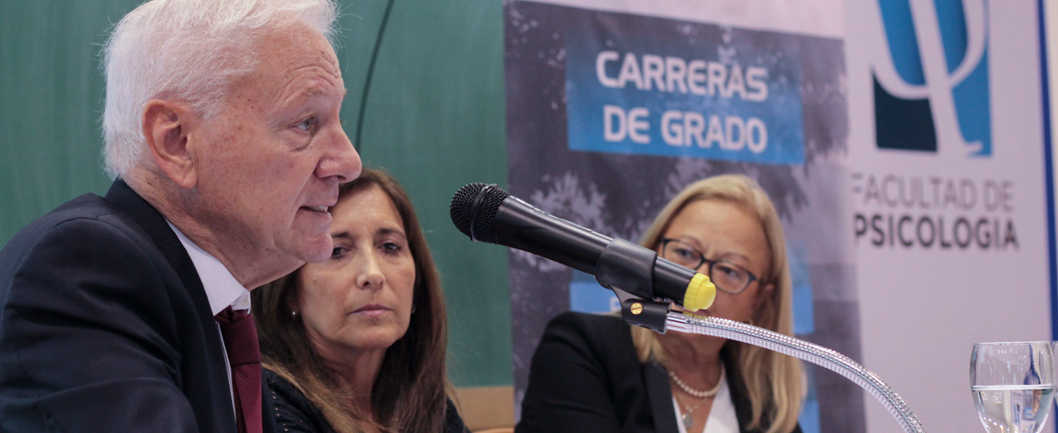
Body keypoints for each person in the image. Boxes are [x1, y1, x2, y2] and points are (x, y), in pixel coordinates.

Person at [0, 0, 361, 433]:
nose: (348, 162)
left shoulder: (212, 305)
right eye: (306, 122)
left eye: (336, 119)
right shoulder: (84, 271)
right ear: (176, 142)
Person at [516, 174, 805, 433]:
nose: (698, 279)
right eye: (685, 253)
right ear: (651, 254)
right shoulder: (581, 347)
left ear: (760, 301)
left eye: (730, 271)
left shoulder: (768, 409)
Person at [252, 168, 469, 433]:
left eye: (390, 246)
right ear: (288, 293)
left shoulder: (426, 404)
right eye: (337, 251)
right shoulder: (268, 405)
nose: (373, 275)